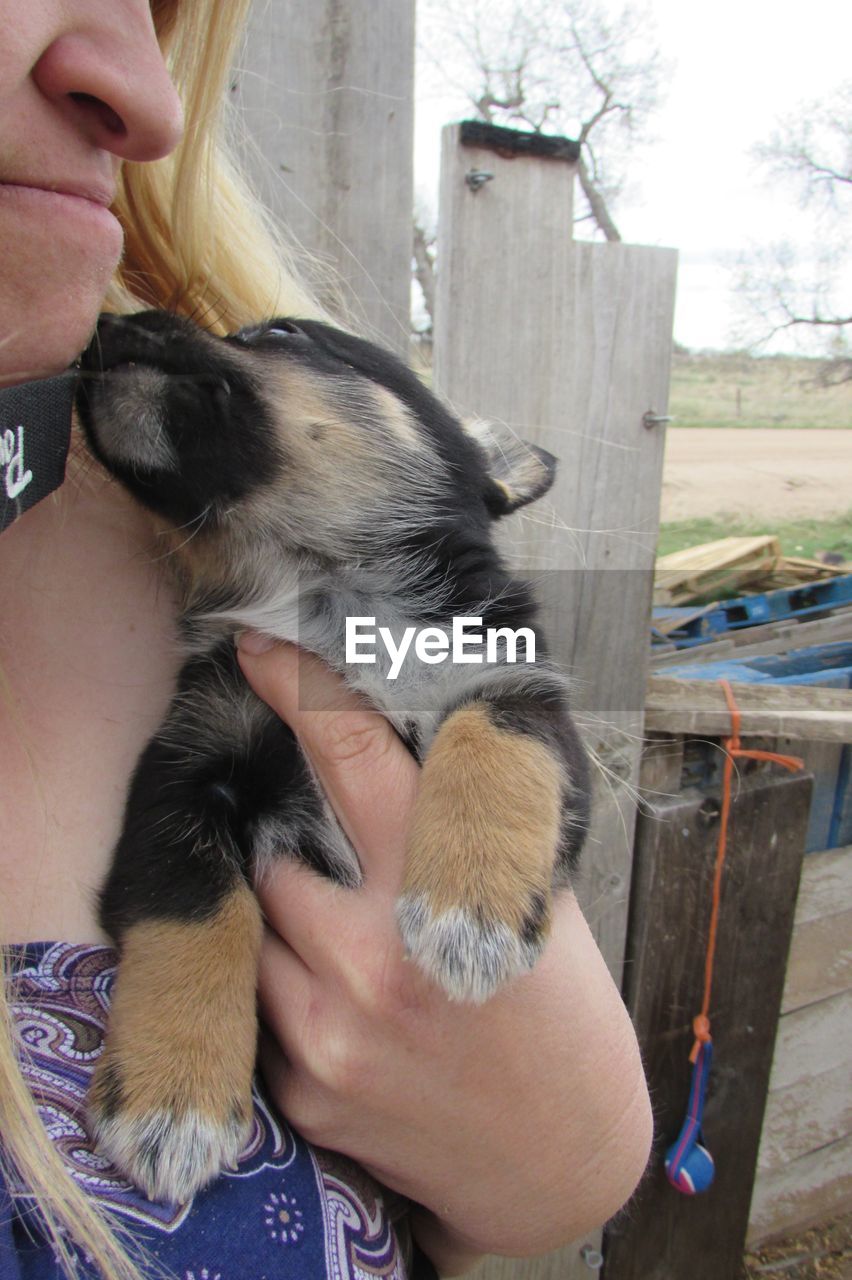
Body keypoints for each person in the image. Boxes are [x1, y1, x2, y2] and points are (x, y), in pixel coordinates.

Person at [0, 3, 653, 1278]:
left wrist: (562, 1156)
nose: (142, 84)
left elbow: (505, 707)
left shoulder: (343, 625)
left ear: (469, 469)